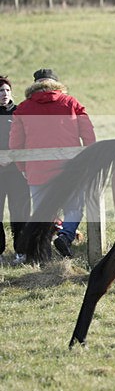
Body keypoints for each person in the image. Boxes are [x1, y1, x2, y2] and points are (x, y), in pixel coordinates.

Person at [9, 68, 96, 258]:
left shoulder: (23, 108)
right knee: (74, 207)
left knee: (42, 212)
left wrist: (23, 168)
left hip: (37, 171)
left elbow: (15, 144)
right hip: (71, 168)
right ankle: (65, 236)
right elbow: (87, 133)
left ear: (35, 84)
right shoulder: (71, 102)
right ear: (56, 83)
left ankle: (42, 253)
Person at [0, 76, 31, 264]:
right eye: (0, 91)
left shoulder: (20, 112)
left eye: (7, 91)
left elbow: (28, 139)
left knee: (20, 212)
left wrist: (12, 157)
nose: (4, 94)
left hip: (18, 172)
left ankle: (21, 250)